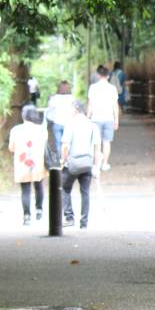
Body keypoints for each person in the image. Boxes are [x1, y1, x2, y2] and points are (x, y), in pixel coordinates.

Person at [60, 100, 101, 229]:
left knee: (64, 189)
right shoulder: (93, 125)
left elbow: (65, 145)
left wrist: (63, 160)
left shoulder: (70, 124)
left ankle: (69, 217)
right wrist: (96, 166)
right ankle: (84, 223)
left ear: (75, 109)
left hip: (72, 164)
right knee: (85, 193)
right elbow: (97, 148)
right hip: (87, 164)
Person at [7, 105, 48, 225]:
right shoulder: (41, 130)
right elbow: (46, 146)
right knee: (39, 185)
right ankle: (39, 209)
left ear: (23, 115)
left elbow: (11, 148)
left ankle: (27, 216)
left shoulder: (16, 130)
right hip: (38, 162)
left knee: (25, 190)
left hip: (22, 163)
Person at [86, 65, 119, 171]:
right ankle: (105, 164)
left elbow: (90, 105)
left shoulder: (93, 88)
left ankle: (96, 165)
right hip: (109, 118)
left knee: (96, 143)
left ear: (99, 75)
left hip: (96, 118)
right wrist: (116, 119)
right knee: (106, 142)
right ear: (108, 76)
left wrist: (87, 117)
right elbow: (115, 105)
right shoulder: (112, 88)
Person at [44, 80, 74, 158]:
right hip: (68, 123)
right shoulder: (72, 98)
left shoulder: (55, 98)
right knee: (67, 142)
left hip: (57, 122)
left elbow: (49, 108)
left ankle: (60, 159)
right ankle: (67, 159)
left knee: (58, 143)